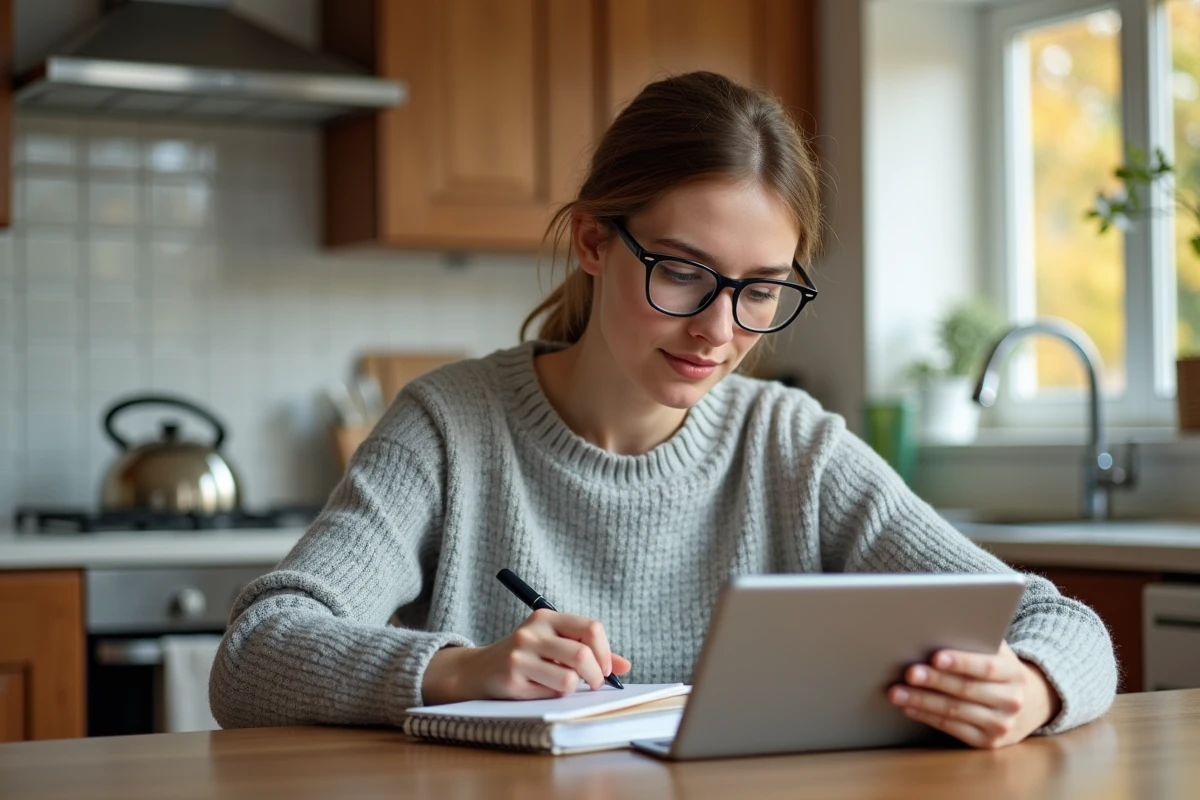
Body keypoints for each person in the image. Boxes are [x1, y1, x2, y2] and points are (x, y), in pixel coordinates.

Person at [210, 71, 1116, 749]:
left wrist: (1030, 686)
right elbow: (254, 653)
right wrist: (460, 670)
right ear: (595, 241)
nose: (719, 330)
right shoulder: (451, 427)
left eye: (760, 290)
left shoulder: (791, 446)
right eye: (682, 271)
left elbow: (1062, 624)